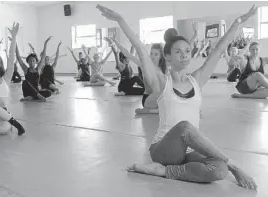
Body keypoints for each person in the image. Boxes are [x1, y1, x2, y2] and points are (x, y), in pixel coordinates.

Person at [97, 4, 258, 190]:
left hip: (188, 151)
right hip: (163, 150)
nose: (184, 56)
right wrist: (120, 20)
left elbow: (220, 48)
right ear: (168, 57)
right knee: (185, 127)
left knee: (219, 170)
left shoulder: (197, 79)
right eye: (178, 52)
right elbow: (140, 49)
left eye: (187, 51)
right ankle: (233, 164)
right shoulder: (162, 82)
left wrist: (239, 21)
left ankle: (164, 172)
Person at [16, 36, 52, 102]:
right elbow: (18, 58)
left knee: (49, 92)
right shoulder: (26, 69)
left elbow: (43, 57)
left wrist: (45, 44)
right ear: (28, 62)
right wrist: (14, 43)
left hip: (36, 91)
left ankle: (32, 97)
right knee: (24, 82)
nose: (31, 62)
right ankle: (37, 96)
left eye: (33, 61)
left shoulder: (38, 69)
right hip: (27, 92)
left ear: (35, 62)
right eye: (30, 61)